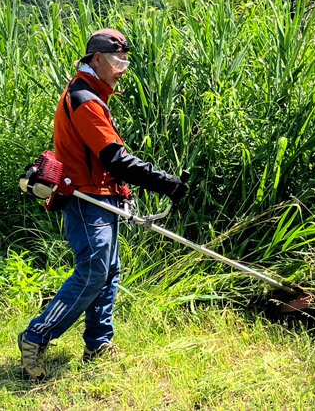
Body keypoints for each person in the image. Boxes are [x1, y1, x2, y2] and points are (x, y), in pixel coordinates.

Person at [18, 28, 188, 379]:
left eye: (125, 60)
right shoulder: (84, 99)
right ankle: (36, 336)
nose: (122, 67)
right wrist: (165, 183)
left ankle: (98, 341)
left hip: (101, 195)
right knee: (94, 269)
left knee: (108, 271)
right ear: (96, 59)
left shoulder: (92, 93)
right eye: (116, 60)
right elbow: (115, 158)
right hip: (84, 198)